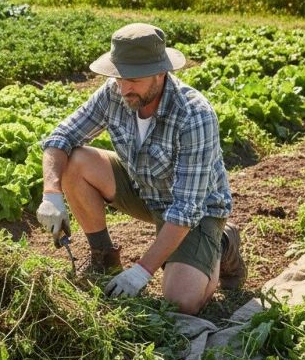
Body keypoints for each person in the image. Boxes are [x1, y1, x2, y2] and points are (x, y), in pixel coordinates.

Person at [36, 22, 245, 315]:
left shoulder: (193, 115)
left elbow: (186, 209)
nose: (123, 87)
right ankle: (103, 259)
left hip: (196, 212)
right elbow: (60, 137)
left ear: (161, 72)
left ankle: (221, 244)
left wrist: (142, 271)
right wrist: (51, 194)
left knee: (181, 301)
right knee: (76, 160)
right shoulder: (115, 93)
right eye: (119, 75)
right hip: (143, 189)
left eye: (133, 78)